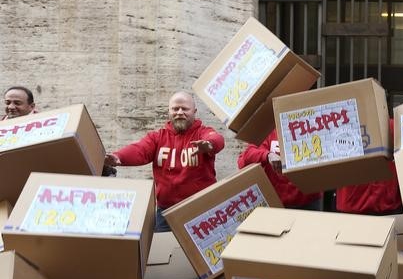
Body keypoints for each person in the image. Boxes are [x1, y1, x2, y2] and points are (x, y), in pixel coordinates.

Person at [104, 91, 225, 232]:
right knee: (162, 252)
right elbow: (140, 149)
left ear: (194, 111)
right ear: (169, 111)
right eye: (175, 109)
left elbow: (217, 139)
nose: (179, 112)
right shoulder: (158, 137)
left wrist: (209, 145)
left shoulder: (202, 133)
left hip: (202, 209)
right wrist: (119, 157)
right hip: (166, 212)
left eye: (185, 109)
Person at [238, 129, 323, 210]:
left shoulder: (313, 125)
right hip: (277, 202)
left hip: (309, 201)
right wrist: (268, 155)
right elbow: (246, 157)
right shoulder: (269, 129)